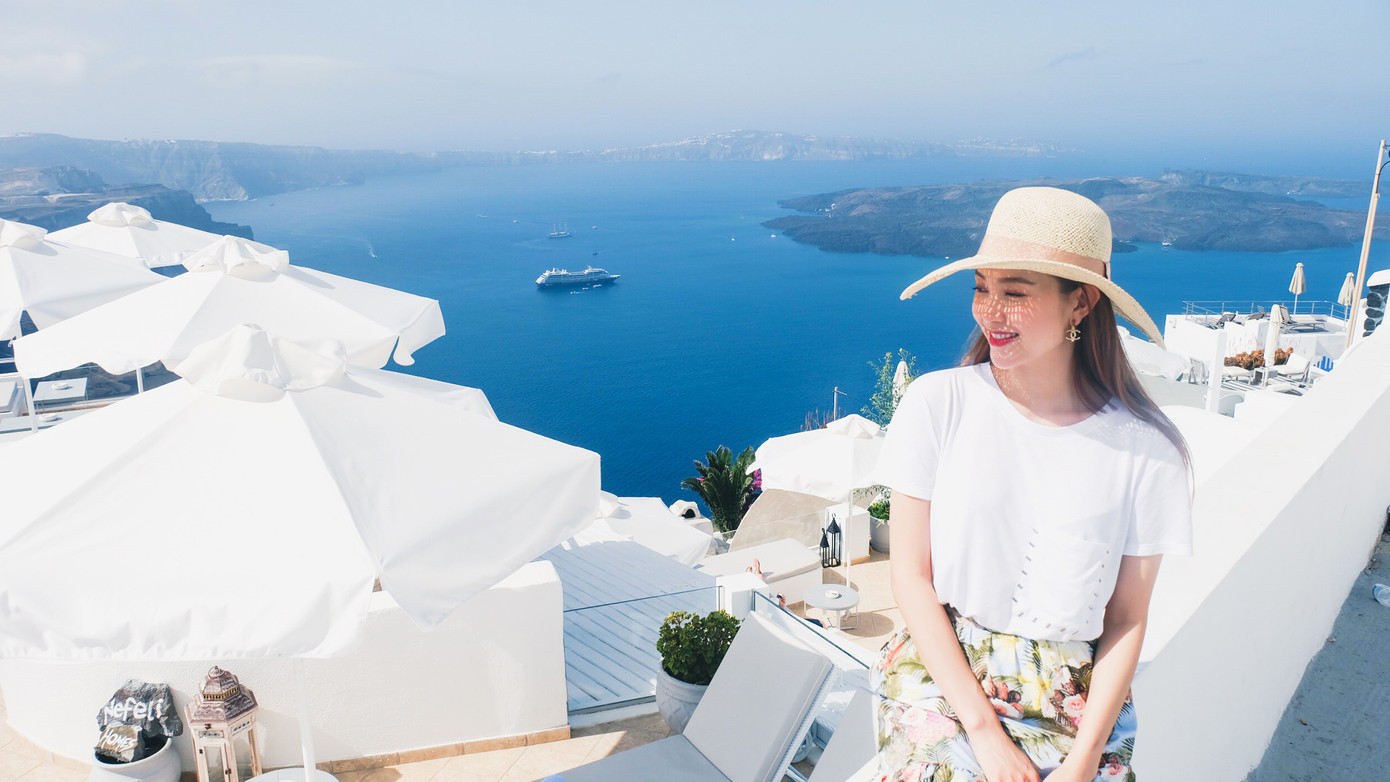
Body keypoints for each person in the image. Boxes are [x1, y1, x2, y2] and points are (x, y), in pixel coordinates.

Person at [869, 187, 1192, 782]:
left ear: (1081, 302)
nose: (990, 311)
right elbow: (910, 576)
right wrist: (984, 732)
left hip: (1076, 702)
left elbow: (1126, 618)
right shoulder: (938, 405)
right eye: (981, 288)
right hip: (946, 678)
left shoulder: (1148, 452)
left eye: (1015, 293)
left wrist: (1085, 759)